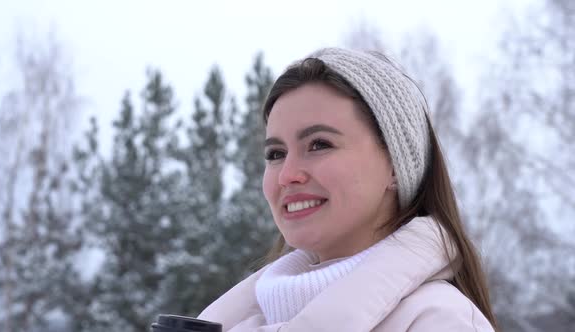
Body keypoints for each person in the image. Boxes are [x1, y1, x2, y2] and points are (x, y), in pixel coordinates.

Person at [198, 47, 498, 331]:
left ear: (395, 164)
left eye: (319, 145)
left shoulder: (441, 322)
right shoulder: (237, 320)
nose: (287, 175)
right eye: (276, 154)